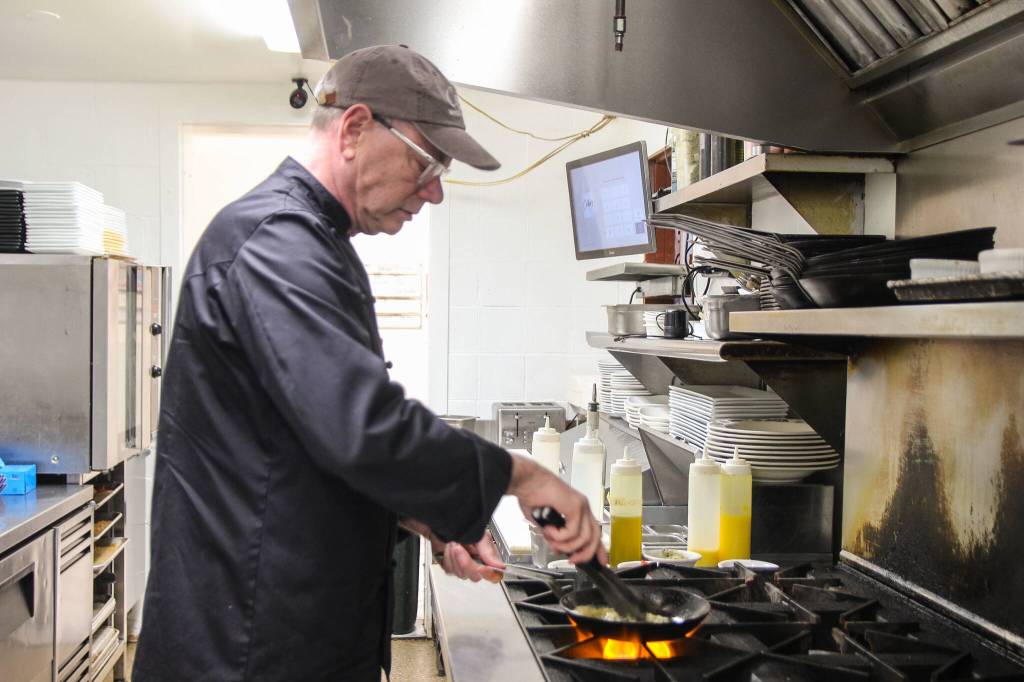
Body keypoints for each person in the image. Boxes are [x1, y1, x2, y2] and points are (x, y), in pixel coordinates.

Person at [132, 45, 603, 682]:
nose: (435, 190)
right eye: (428, 161)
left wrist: (432, 517)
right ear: (355, 128)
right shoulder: (276, 244)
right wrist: (523, 476)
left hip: (285, 637)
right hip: (247, 652)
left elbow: (305, 448)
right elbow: (363, 429)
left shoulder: (313, 243)